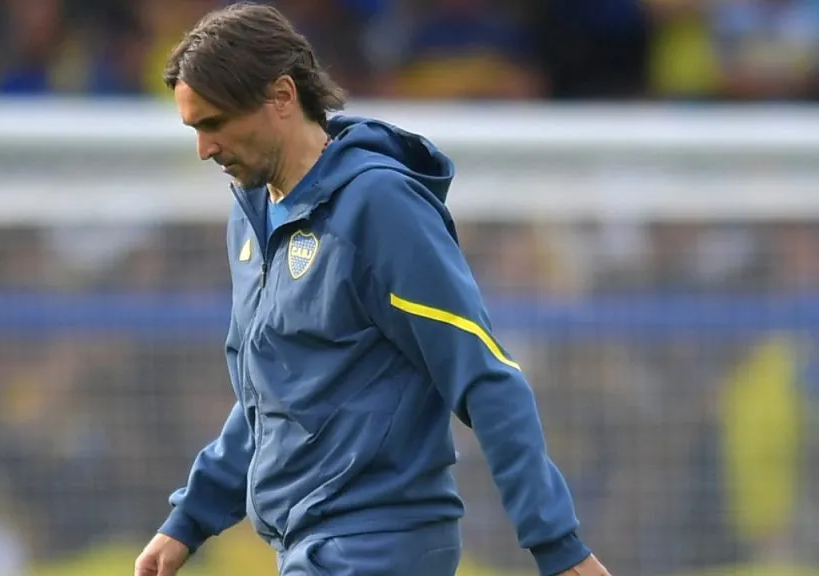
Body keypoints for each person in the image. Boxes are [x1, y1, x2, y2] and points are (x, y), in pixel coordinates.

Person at [135, 3, 611, 576]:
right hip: (309, 544)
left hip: (378, 544)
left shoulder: (379, 206)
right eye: (195, 129)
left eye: (214, 124)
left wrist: (556, 544)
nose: (204, 149)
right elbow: (274, 393)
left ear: (282, 96)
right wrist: (189, 519)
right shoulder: (252, 214)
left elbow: (481, 371)